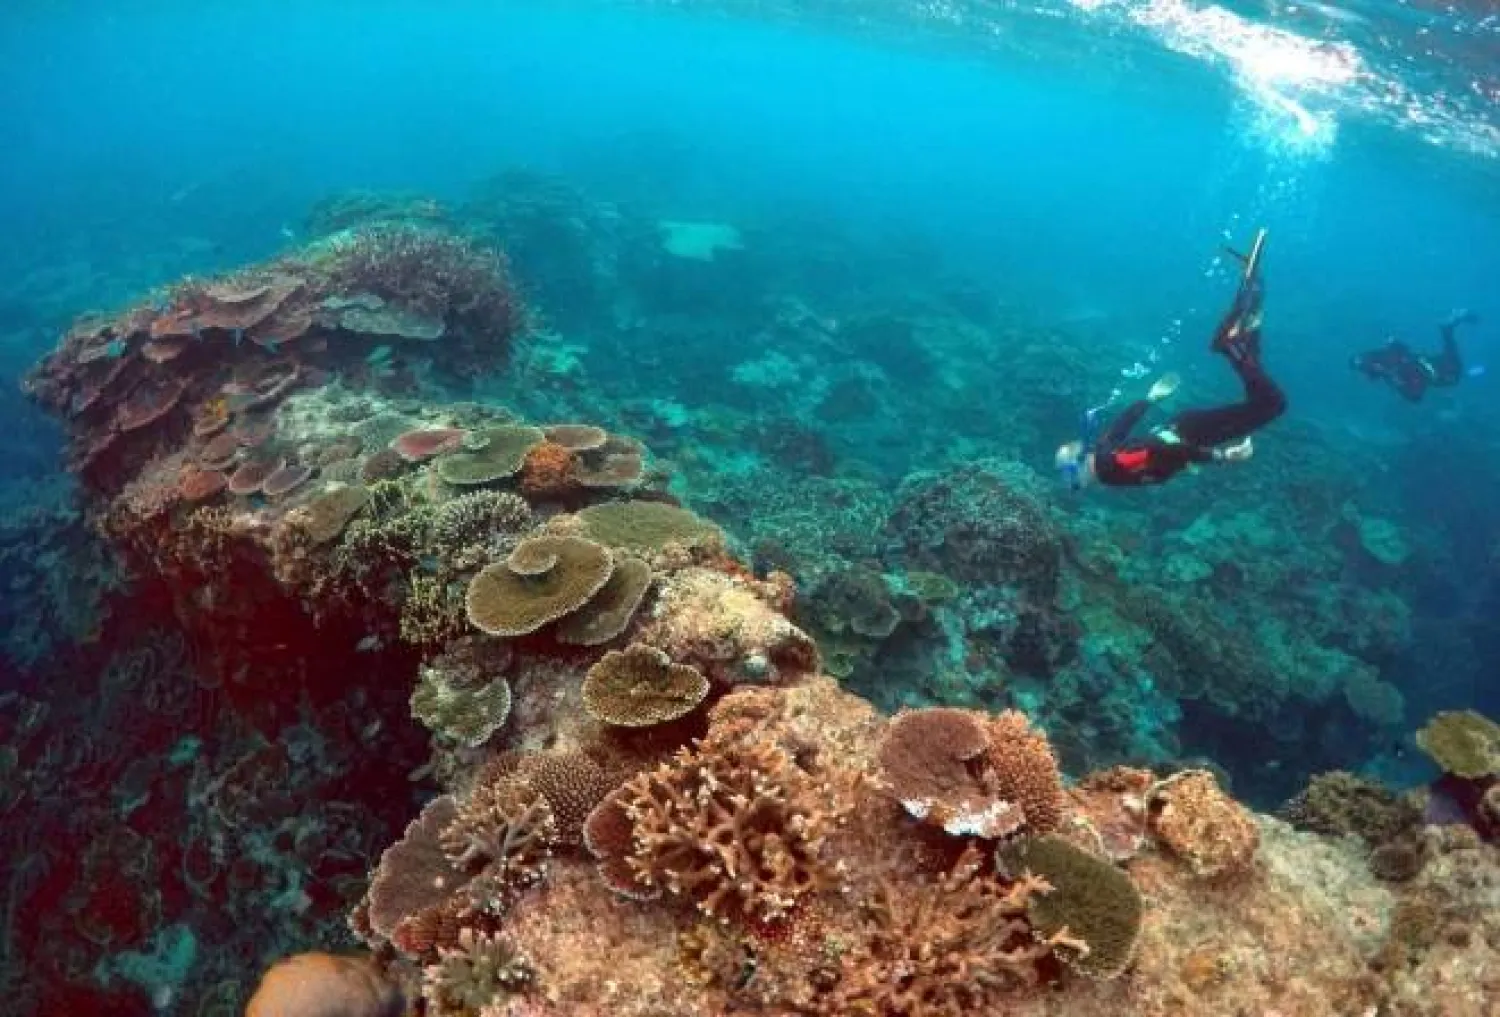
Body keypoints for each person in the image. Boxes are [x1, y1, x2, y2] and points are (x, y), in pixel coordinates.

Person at [1056, 228, 1287, 490]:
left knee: (1272, 404)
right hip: (1187, 427)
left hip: (1192, 433)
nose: (1072, 481)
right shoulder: (1103, 454)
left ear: (1081, 463)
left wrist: (1221, 457)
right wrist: (1150, 399)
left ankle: (1232, 344)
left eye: (1070, 473)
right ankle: (1247, 324)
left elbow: (1159, 449)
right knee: (1264, 403)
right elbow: (1122, 424)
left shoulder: (1111, 467)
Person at [1350, 310, 1480, 402]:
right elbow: (1414, 394)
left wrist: (1397, 381)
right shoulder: (1388, 369)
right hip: (1424, 366)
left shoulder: (1389, 367)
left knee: (1453, 367)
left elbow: (1415, 395)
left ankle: (1447, 329)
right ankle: (1447, 329)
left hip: (1425, 367)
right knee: (1452, 366)